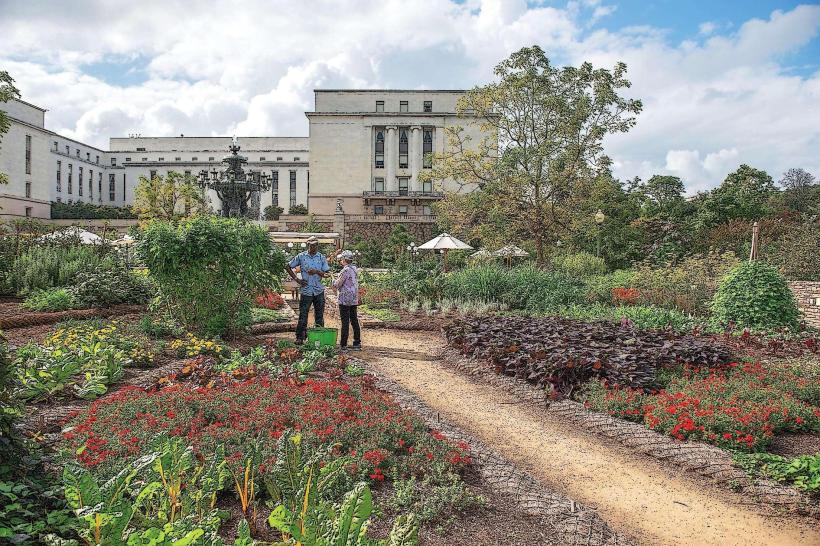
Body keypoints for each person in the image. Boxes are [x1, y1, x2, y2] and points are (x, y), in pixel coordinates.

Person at [286, 236, 330, 344]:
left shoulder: (321, 257)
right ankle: (300, 337)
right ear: (308, 245)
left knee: (319, 315)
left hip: (318, 290)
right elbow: (288, 266)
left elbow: (327, 274)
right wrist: (297, 279)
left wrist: (317, 271)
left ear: (317, 245)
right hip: (306, 290)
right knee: (303, 315)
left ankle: (319, 338)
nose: (313, 247)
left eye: (315, 245)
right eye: (311, 245)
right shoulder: (301, 256)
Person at [332, 250, 361, 350]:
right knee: (354, 320)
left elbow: (337, 284)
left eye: (341, 259)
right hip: (353, 298)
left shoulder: (345, 270)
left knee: (345, 322)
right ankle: (357, 343)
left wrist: (332, 279)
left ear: (344, 260)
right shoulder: (354, 269)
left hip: (345, 298)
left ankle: (343, 344)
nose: (340, 261)